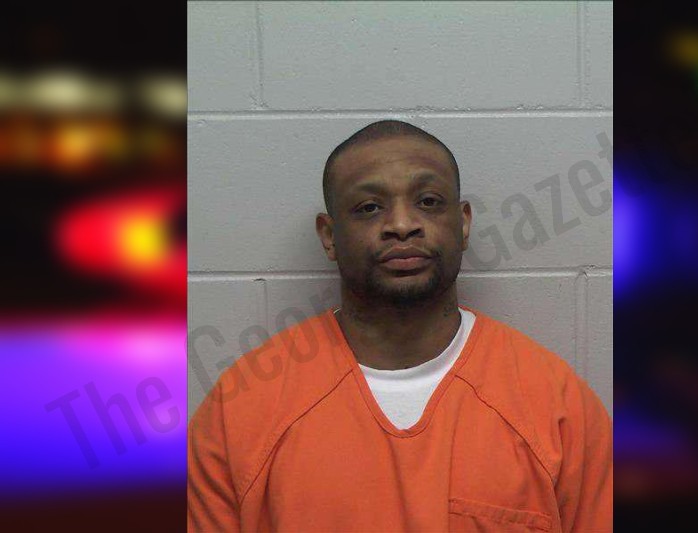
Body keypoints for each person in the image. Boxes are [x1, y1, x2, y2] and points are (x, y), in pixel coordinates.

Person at [188, 120, 612, 532]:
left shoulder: (557, 407)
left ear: (463, 223)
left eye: (428, 201)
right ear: (329, 236)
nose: (402, 225)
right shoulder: (241, 410)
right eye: (369, 207)